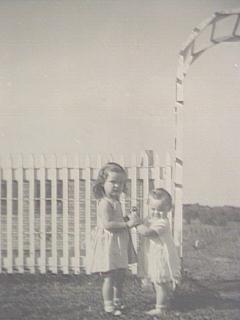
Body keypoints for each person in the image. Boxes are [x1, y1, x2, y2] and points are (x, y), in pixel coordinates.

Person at [89, 162, 140, 316]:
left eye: (120, 182)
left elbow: (116, 219)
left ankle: (118, 300)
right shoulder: (104, 203)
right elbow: (108, 224)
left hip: (118, 242)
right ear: (102, 183)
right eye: (113, 182)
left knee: (120, 274)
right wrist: (128, 223)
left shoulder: (116, 201)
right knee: (110, 275)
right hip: (109, 243)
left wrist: (127, 218)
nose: (117, 186)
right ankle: (108, 304)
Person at [136, 188, 181, 317]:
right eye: (153, 209)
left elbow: (147, 232)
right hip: (153, 255)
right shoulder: (149, 219)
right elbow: (145, 225)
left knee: (160, 281)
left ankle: (160, 308)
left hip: (160, 257)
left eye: (161, 210)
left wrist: (135, 224)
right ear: (148, 206)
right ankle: (165, 299)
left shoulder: (162, 222)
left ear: (168, 209)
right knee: (158, 281)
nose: (156, 213)